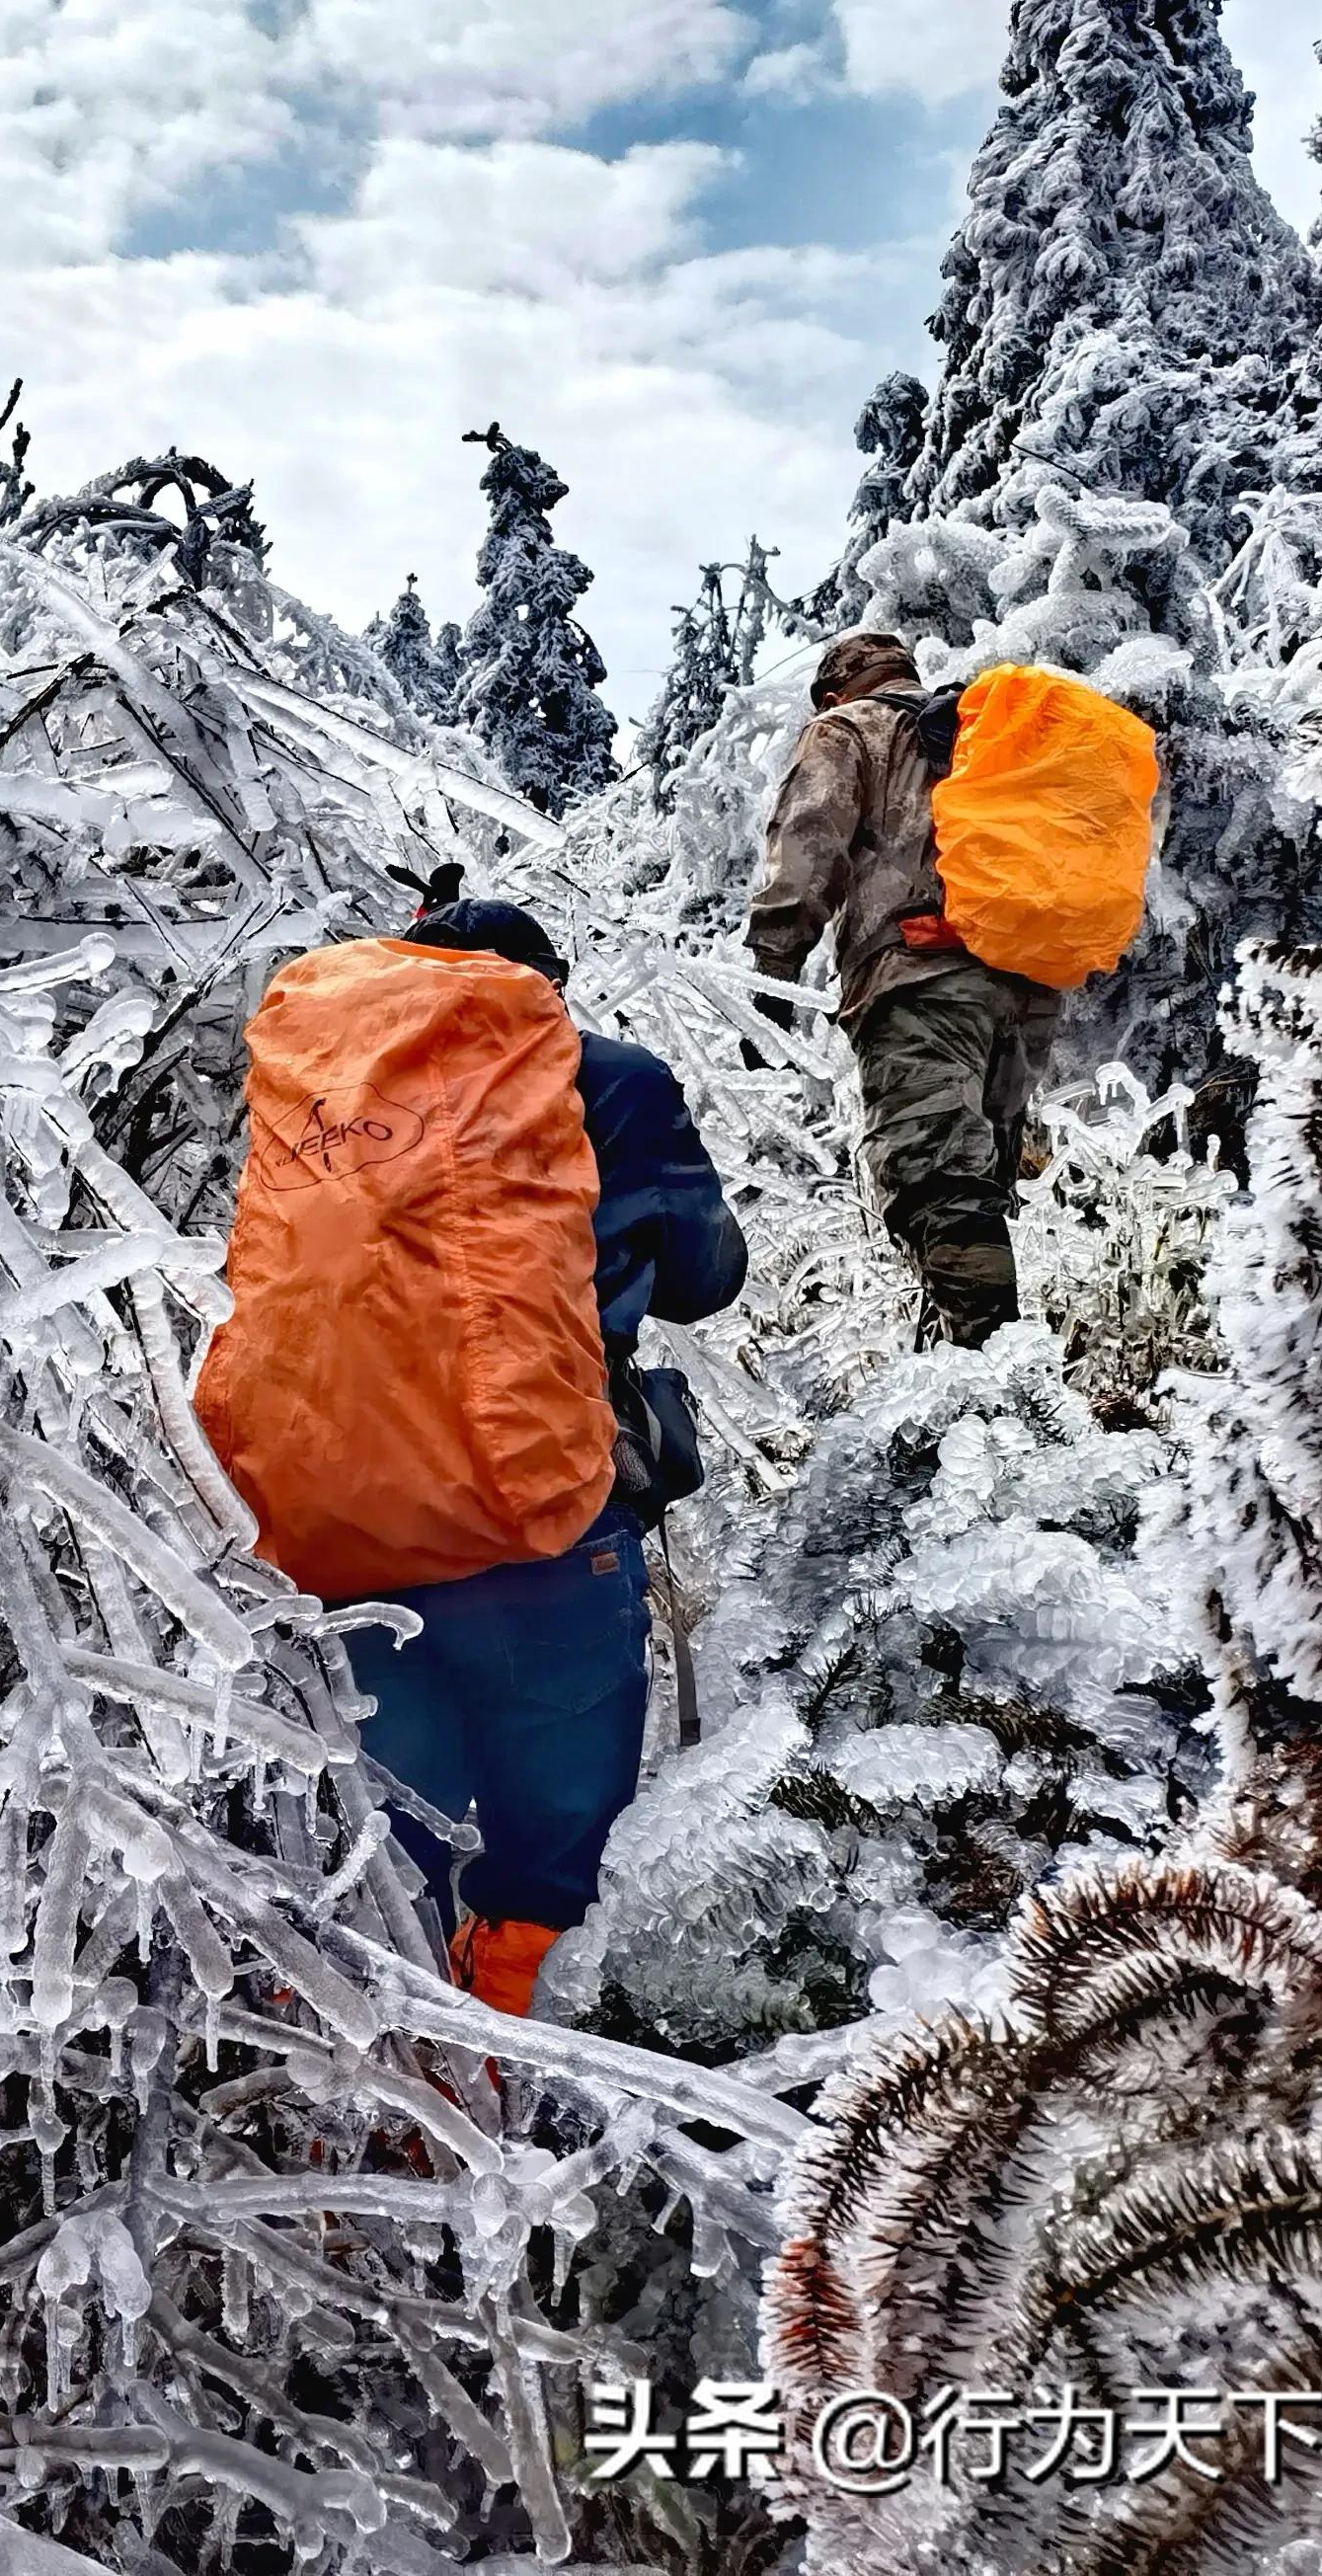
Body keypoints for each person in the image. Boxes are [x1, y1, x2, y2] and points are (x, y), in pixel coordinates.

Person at [353, 897, 746, 2016]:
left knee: (392, 1820)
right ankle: (515, 2068)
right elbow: (702, 1277)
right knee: (559, 1829)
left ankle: (360, 2075)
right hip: (544, 1499)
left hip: (350, 1504)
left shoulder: (326, 1097)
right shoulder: (611, 1078)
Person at [746, 631, 1054, 1346]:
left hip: (920, 980)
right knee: (977, 1189)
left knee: (937, 1185)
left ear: (833, 692)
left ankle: (1001, 1398)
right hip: (1023, 992)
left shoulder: (850, 727)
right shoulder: (982, 735)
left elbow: (809, 840)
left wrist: (771, 969)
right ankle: (953, 1360)